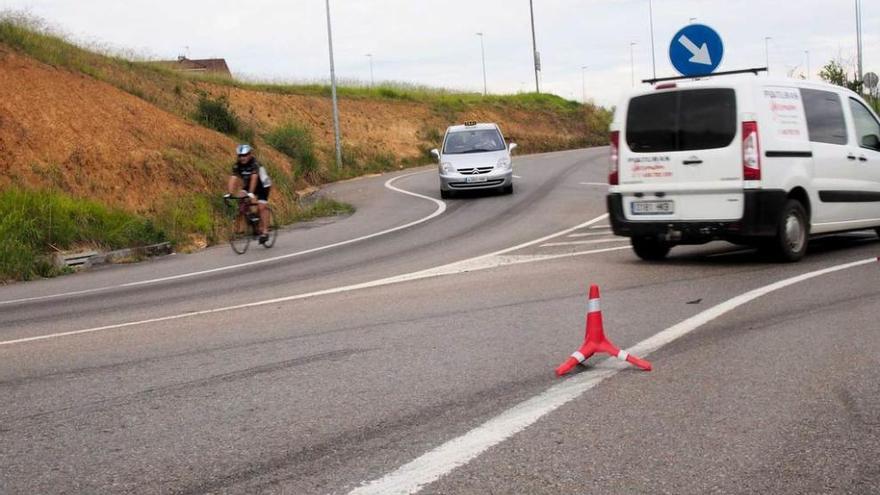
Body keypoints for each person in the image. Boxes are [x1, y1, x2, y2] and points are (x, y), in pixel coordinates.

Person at [227, 144, 272, 243]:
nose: (242, 158)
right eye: (240, 155)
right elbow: (233, 178)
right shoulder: (237, 164)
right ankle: (251, 218)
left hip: (263, 185)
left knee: (261, 207)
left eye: (245, 155)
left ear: (250, 154)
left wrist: (251, 193)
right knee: (240, 196)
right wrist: (229, 193)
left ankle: (265, 231)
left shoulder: (254, 163)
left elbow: (254, 178)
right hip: (250, 184)